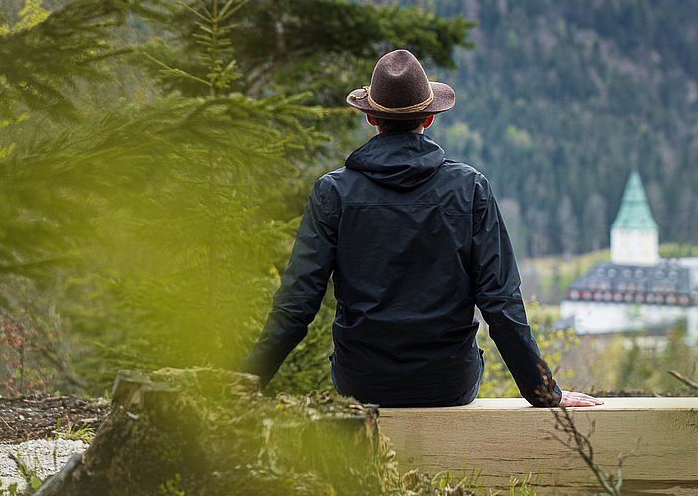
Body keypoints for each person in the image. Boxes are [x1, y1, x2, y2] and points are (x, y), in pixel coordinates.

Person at [240, 49, 602, 408]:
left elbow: (297, 302)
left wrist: (246, 382)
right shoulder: (470, 188)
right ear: (429, 119)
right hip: (447, 383)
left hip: (362, 384)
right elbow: (501, 302)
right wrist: (544, 392)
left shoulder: (333, 192)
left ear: (370, 118)